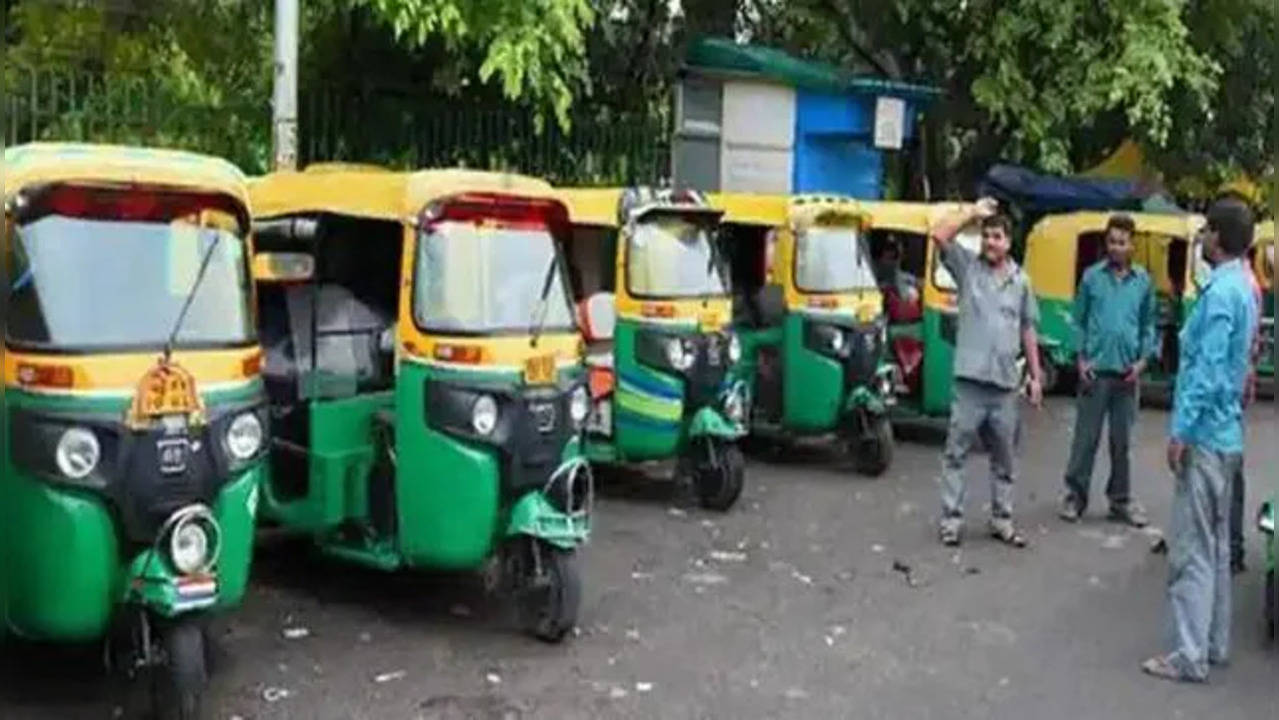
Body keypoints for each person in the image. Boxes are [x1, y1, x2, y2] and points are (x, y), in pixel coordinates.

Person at [1142, 197, 1259, 683]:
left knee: (1192, 547)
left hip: (1206, 436)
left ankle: (1189, 654)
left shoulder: (1220, 295)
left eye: (1206, 231)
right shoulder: (1244, 290)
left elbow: (1206, 372)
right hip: (1227, 435)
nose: (1201, 239)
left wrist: (1181, 431)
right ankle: (1212, 642)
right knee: (1216, 547)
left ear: (1217, 236)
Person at [931, 198, 1044, 547]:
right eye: (986, 236)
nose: (990, 242)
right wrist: (972, 214)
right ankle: (951, 521)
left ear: (1009, 242)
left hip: (1005, 384)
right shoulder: (968, 269)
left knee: (1005, 457)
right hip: (969, 382)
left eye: (997, 237)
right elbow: (938, 235)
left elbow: (1028, 328)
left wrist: (1036, 377)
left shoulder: (1021, 281)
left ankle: (1002, 519)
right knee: (956, 453)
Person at [1058, 214, 1155, 527]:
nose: (1116, 247)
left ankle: (1120, 501)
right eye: (1112, 241)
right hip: (1095, 372)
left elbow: (1148, 325)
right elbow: (1078, 321)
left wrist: (1142, 361)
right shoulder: (1091, 278)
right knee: (1085, 439)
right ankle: (1075, 496)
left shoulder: (1143, 282)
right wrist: (1081, 359)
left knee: (1122, 442)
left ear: (1132, 245)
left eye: (1122, 242)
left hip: (1128, 375)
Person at [1228, 246, 1264, 573]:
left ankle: (1232, 546)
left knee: (1227, 468)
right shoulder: (1245, 284)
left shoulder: (1239, 286)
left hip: (1227, 394)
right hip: (1237, 388)